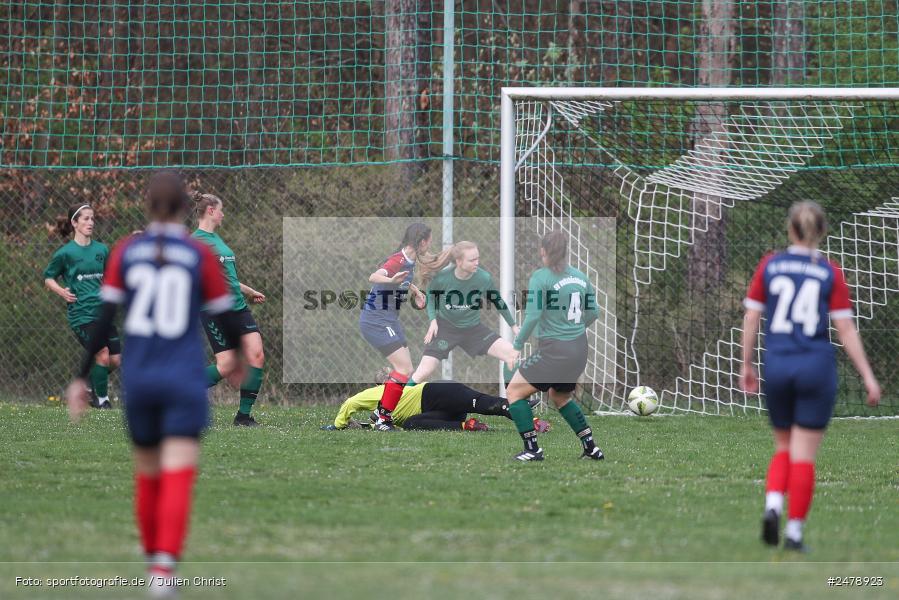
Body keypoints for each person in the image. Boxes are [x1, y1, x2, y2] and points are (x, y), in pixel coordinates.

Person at [65, 171, 243, 598]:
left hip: (141, 380)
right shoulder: (196, 253)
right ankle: (164, 573)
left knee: (147, 473)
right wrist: (236, 356)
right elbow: (224, 315)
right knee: (179, 471)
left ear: (147, 206)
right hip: (182, 378)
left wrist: (78, 377)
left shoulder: (127, 250)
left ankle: (152, 564)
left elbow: (104, 320)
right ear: (186, 208)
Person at [739, 200, 880, 552]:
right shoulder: (830, 272)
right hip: (816, 366)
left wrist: (746, 364)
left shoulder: (770, 265)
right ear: (821, 232)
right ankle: (795, 534)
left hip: (780, 364)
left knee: (783, 446)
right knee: (804, 455)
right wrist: (867, 376)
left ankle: (773, 505)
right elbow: (845, 328)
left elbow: (752, 318)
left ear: (790, 229)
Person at [504, 231, 604, 462]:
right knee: (560, 397)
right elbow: (594, 313)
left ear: (546, 251)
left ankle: (533, 449)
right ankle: (591, 448)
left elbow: (532, 316)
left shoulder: (541, 277)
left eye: (542, 249)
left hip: (555, 350)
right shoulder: (580, 277)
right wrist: (574, 329)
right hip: (579, 347)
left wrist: (517, 346)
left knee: (514, 393)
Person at [192, 193, 266, 427]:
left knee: (257, 355)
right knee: (226, 366)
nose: (224, 214)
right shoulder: (195, 242)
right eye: (221, 209)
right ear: (211, 211)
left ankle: (243, 416)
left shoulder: (217, 240)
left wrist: (249, 291)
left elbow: (228, 278)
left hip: (239, 307)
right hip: (215, 311)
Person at [408, 241, 520, 386]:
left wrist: (513, 325)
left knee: (511, 354)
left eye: (477, 258)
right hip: (445, 329)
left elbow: (498, 301)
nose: (477, 263)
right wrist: (433, 321)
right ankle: (397, 404)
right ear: (459, 261)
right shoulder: (442, 278)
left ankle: (514, 402)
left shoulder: (483, 278)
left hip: (473, 329)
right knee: (423, 371)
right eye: (472, 260)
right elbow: (430, 297)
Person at [44, 203, 121, 409]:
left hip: (102, 313)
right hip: (82, 315)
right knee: (102, 354)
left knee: (115, 360)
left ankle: (88, 384)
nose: (90, 222)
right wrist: (61, 291)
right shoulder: (65, 253)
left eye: (92, 218)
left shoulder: (102, 249)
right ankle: (102, 401)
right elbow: (48, 278)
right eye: (85, 218)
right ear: (74, 223)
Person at [359, 223, 430, 431]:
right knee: (404, 369)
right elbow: (374, 276)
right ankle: (383, 418)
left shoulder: (410, 259)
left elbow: (403, 281)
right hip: (376, 319)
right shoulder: (398, 259)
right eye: (429, 240)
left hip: (389, 319)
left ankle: (381, 412)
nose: (430, 245)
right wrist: (390, 279)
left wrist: (416, 292)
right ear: (421, 241)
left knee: (404, 370)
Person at [325, 377, 550, 433]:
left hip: (436, 393)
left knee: (484, 403)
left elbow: (350, 402)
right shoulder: (383, 416)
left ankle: (530, 418)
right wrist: (365, 425)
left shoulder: (381, 392)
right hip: (441, 412)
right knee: (413, 425)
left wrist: (339, 424)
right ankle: (468, 426)